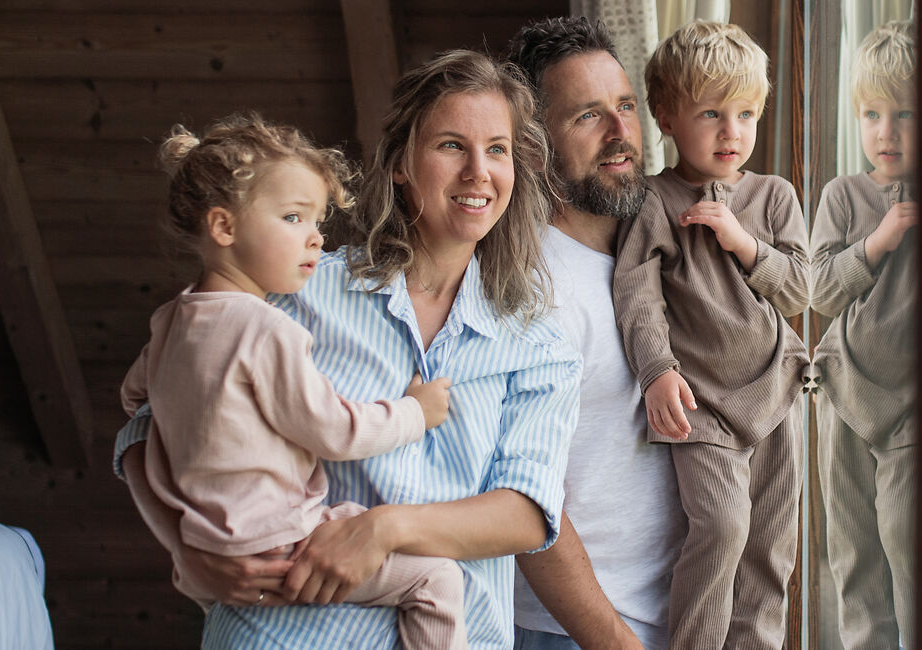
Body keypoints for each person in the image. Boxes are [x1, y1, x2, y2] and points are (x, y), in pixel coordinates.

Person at [112, 50, 582, 649]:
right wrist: (189, 551)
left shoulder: (539, 345)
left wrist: (383, 529)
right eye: (450, 145)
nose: (478, 171)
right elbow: (151, 420)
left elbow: (528, 512)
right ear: (401, 163)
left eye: (497, 149)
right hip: (279, 634)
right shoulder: (296, 291)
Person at [119, 112, 464, 649]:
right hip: (281, 544)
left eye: (317, 220)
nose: (315, 238)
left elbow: (134, 399)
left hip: (209, 547)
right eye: (292, 217)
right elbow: (335, 431)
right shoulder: (265, 329)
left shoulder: (170, 323)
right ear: (224, 228)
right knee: (436, 578)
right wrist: (416, 412)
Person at [613, 20, 810, 649]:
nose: (733, 132)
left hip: (777, 392)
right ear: (667, 117)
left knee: (771, 545)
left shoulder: (774, 196)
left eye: (746, 114)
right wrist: (657, 370)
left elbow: (800, 290)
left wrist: (744, 242)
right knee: (722, 528)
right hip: (700, 404)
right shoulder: (652, 201)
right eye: (712, 114)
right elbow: (637, 295)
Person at [504, 17, 685, 650]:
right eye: (587, 116)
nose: (619, 133)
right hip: (577, 633)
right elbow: (526, 499)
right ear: (533, 143)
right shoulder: (530, 286)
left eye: (625, 107)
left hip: (687, 614)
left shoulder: (670, 248)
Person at [807, 21, 920, 649]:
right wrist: (878, 241)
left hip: (912, 404)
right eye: (872, 115)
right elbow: (820, 291)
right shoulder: (843, 195)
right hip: (843, 395)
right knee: (852, 552)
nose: (886, 132)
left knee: (909, 548)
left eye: (905, 115)